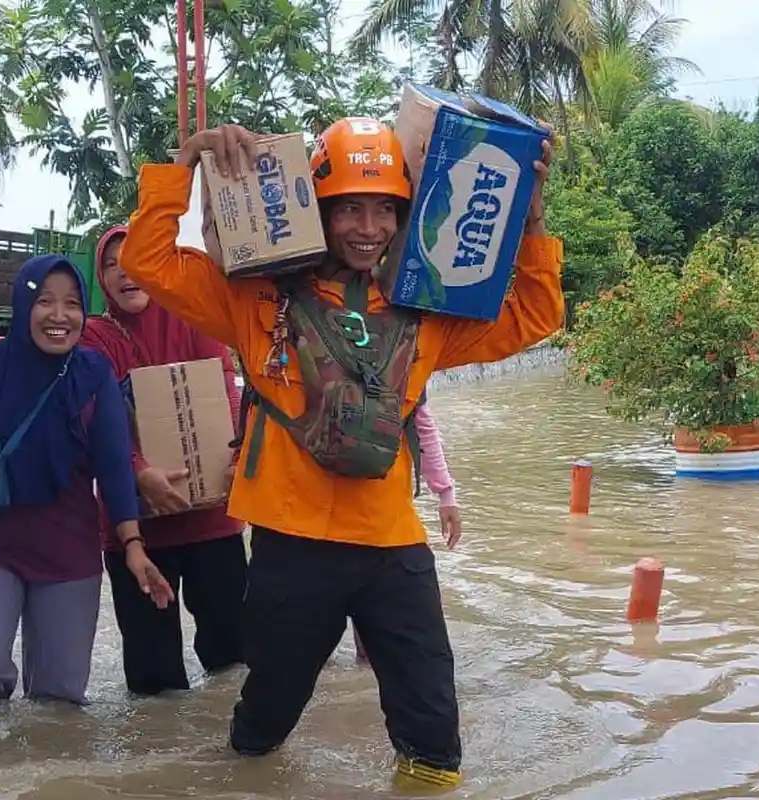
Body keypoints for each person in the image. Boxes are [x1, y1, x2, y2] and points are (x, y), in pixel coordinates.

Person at [117, 118, 563, 790]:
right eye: (350, 206)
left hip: (394, 547)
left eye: (386, 208)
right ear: (318, 210)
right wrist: (185, 164)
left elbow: (535, 315)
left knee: (434, 726)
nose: (369, 226)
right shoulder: (254, 297)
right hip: (292, 546)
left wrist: (530, 221)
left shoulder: (428, 308)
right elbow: (147, 262)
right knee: (266, 721)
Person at [0, 254, 174, 708]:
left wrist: (133, 544)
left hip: (67, 549)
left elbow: (113, 464)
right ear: (21, 305)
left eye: (72, 303)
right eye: (45, 301)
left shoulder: (93, 374)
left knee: (60, 699)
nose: (59, 316)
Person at [80, 225, 248, 696]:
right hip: (134, 532)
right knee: (154, 685)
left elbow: (225, 391)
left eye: (133, 259)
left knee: (235, 663)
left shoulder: (191, 316)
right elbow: (94, 422)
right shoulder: (95, 338)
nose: (123, 273)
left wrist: (236, 457)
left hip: (212, 524)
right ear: (101, 277)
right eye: (110, 265)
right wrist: (137, 472)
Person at [353, 399, 461, 664]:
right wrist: (446, 494)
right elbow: (422, 424)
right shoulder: (402, 362)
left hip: (315, 523)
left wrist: (445, 493)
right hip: (380, 519)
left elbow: (421, 424)